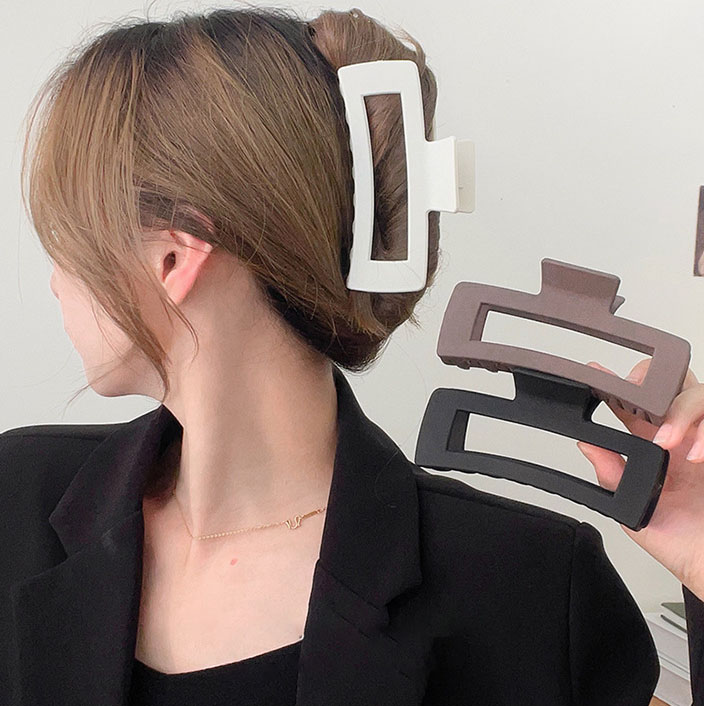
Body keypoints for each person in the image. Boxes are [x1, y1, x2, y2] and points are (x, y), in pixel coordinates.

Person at [0, 4, 701, 705]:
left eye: (69, 237)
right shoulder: (16, 500)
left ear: (173, 258)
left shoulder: (529, 590)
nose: (57, 279)